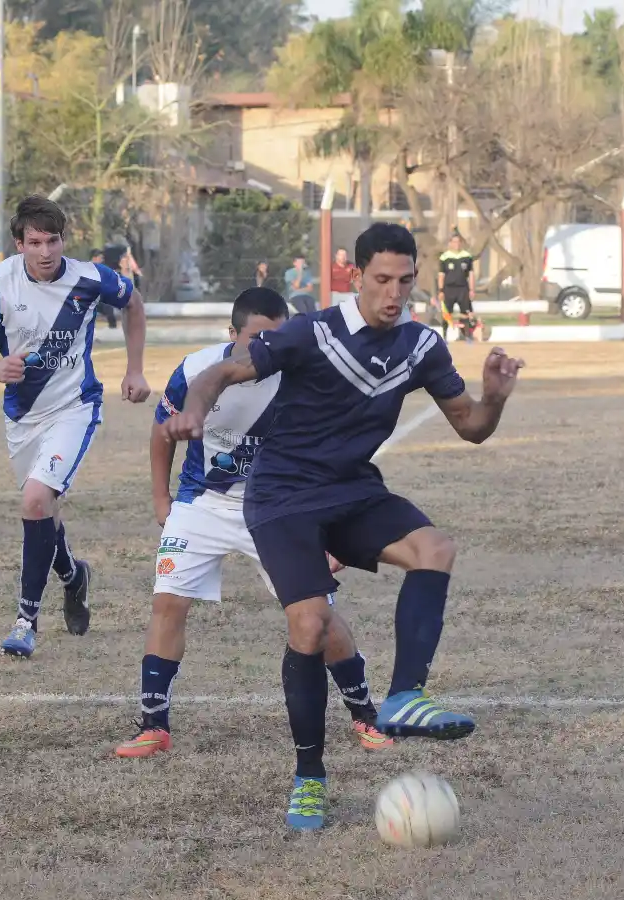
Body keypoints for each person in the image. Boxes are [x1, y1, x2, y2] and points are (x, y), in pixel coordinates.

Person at [163, 223, 524, 830]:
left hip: (352, 489)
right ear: (356, 276)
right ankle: (309, 777)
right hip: (281, 496)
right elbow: (222, 373)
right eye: (382, 280)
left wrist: (495, 397)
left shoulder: (421, 346)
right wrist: (194, 412)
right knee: (310, 624)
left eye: (405, 281)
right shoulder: (312, 332)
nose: (394, 293)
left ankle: (405, 695)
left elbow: (471, 427)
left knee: (434, 547)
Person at [113, 287, 393, 759]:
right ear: (231, 335)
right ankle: (153, 725)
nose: (268, 350)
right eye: (256, 339)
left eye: (277, 339)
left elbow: (332, 460)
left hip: (279, 510)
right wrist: (162, 499)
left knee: (317, 618)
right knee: (168, 603)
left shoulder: (304, 377)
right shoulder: (197, 368)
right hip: (202, 503)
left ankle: (364, 713)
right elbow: (163, 432)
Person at [0, 195, 151, 657]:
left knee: (34, 500)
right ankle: (73, 575)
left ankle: (25, 621)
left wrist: (135, 369)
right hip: (23, 415)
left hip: (74, 407)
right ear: (18, 244)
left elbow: (134, 303)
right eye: (34, 242)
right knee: (42, 508)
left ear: (64, 240)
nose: (45, 252)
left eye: (53, 241)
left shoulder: (89, 277)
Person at [438, 234, 475, 340]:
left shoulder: (467, 256)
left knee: (466, 312)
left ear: (461, 243)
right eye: (454, 242)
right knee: (446, 313)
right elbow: (441, 275)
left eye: (458, 242)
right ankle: (444, 337)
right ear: (450, 243)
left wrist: (472, 289)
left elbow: (471, 274)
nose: (456, 244)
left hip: (463, 288)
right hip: (448, 289)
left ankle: (468, 336)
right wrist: (441, 290)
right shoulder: (445, 257)